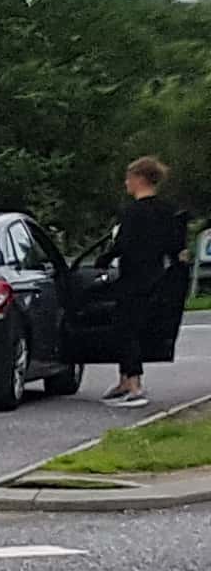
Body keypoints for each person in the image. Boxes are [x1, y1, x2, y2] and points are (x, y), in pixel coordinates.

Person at [104, 156, 192, 408]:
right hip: (159, 277)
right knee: (137, 328)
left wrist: (104, 258)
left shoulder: (132, 213)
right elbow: (177, 247)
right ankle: (124, 379)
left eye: (129, 178)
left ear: (139, 179)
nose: (126, 182)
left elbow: (122, 245)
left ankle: (133, 383)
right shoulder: (169, 211)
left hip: (133, 278)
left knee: (126, 328)